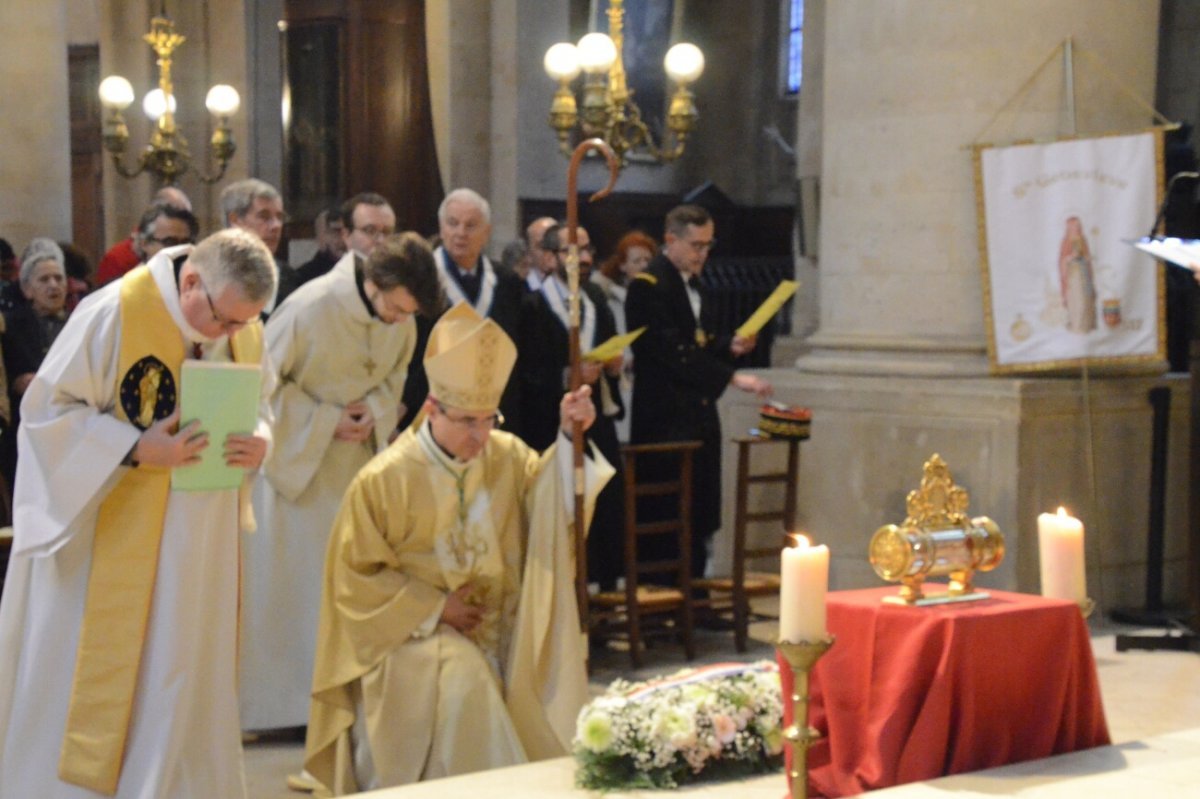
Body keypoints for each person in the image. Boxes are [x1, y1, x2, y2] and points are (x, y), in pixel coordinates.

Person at [0, 228, 277, 798]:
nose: (231, 336)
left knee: (184, 676)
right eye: (224, 322)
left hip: (202, 546)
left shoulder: (242, 323)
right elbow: (45, 414)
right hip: (112, 544)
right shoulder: (113, 314)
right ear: (192, 281)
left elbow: (263, 399)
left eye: (243, 326)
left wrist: (261, 438)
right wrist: (130, 448)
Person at [303, 303, 611, 795]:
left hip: (500, 626)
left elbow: (552, 512)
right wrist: (434, 608)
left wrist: (569, 436)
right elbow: (354, 582)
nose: (480, 436)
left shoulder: (506, 457)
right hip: (408, 640)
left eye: (489, 419)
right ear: (431, 409)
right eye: (467, 421)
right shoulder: (383, 480)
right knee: (464, 675)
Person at [240, 231, 443, 736]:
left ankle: (345, 703)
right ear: (376, 282)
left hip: (354, 467)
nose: (399, 321)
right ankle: (283, 711)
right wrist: (325, 420)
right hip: (297, 473)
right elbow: (260, 387)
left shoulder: (400, 318)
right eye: (395, 309)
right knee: (294, 592)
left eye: (406, 314)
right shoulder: (309, 307)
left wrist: (370, 414)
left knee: (347, 587)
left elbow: (394, 381)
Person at [626, 205, 772, 583]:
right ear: (670, 240)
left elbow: (699, 345)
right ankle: (664, 594)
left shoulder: (697, 284)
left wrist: (729, 346)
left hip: (698, 415)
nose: (703, 254)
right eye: (695, 245)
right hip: (665, 418)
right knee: (668, 509)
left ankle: (695, 591)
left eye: (708, 245)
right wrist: (730, 378)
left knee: (700, 508)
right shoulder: (649, 287)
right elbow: (669, 352)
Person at [519, 223, 625, 589]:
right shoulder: (532, 305)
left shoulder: (596, 298)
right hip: (553, 425)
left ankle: (604, 587)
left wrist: (613, 367)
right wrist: (566, 376)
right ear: (549, 258)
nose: (581, 258)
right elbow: (526, 372)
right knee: (564, 510)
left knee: (605, 507)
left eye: (585, 249)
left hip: (598, 423)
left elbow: (609, 348)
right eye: (570, 250)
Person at [412, 188, 525, 433]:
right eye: (453, 224)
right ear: (441, 229)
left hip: (496, 411)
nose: (460, 233)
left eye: (471, 225)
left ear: (487, 232)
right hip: (436, 410)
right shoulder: (421, 279)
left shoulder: (506, 282)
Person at [1, 239, 70, 490]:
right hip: (23, 430)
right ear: (27, 289)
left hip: (68, 427)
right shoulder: (8, 326)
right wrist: (14, 383)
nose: (54, 285)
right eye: (44, 280)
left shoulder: (79, 322)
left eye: (58, 278)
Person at [592, 231, 657, 441]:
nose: (644, 266)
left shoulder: (658, 297)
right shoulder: (612, 301)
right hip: (622, 377)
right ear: (622, 265)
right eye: (637, 260)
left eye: (648, 260)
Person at [96, 187, 193, 284]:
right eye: (170, 242)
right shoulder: (117, 261)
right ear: (145, 243)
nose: (180, 250)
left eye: (185, 243)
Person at [275, 205, 348, 308]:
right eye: (335, 231)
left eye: (346, 232)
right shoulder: (301, 277)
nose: (342, 239)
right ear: (320, 236)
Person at [221, 178, 287, 258]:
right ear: (235, 220)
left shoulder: (283, 270)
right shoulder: (208, 268)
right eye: (264, 216)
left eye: (279, 217)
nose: (276, 226)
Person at [523, 216, 557, 291]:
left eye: (554, 244)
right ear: (528, 252)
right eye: (542, 246)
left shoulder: (577, 286)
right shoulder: (519, 290)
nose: (550, 252)